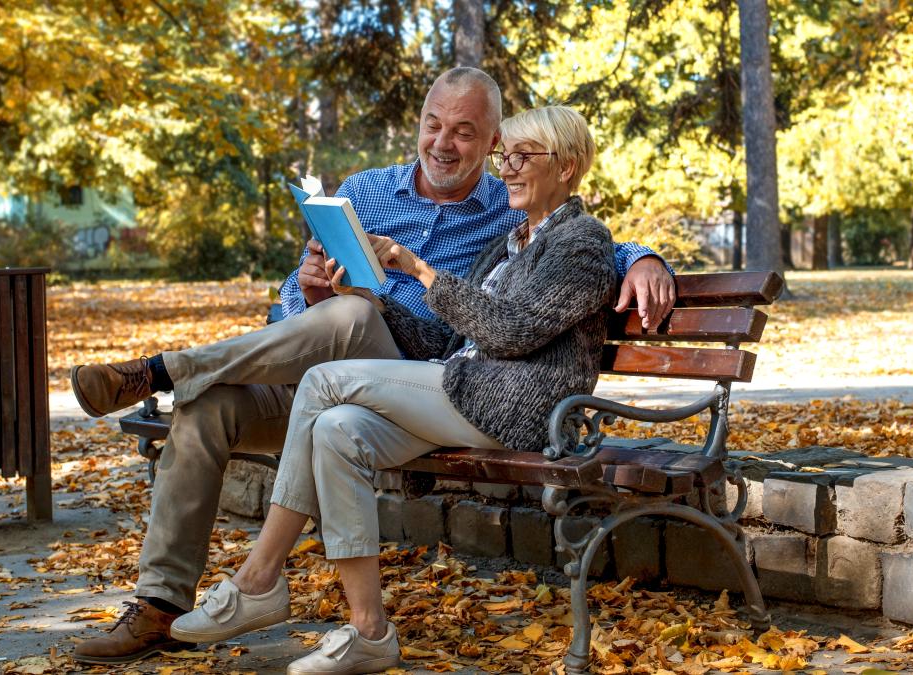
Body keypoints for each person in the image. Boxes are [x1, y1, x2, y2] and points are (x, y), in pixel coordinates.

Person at [69, 68, 673, 666]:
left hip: (415, 377)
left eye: (465, 133)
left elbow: (583, 245)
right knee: (210, 406)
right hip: (330, 363)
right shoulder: (368, 190)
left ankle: (161, 378)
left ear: (492, 141)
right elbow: (297, 300)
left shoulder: (506, 207)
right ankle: (161, 605)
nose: (443, 143)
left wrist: (645, 258)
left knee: (354, 318)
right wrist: (309, 290)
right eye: (433, 125)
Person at [167, 104, 614, 675]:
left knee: (323, 382)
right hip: (465, 390)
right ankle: (369, 631)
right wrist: (373, 302)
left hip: (516, 407)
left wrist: (420, 269)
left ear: (567, 166)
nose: (507, 168)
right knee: (337, 430)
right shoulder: (510, 242)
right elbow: (446, 341)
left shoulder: (582, 241)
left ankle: (258, 579)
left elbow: (513, 331)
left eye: (522, 157)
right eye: (506, 156)